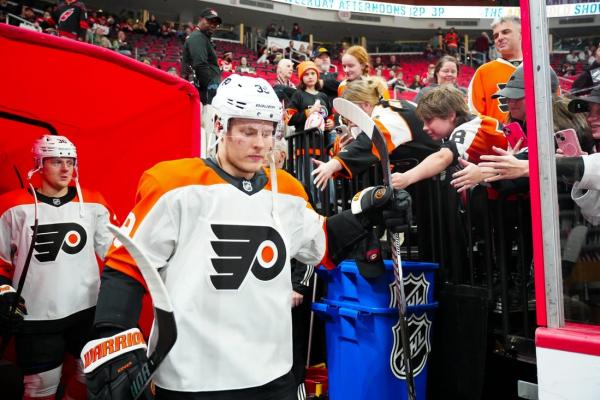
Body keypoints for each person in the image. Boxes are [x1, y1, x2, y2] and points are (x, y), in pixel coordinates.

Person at [80, 74, 403, 400]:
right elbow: (127, 264)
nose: (261, 144)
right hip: (192, 378)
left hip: (273, 374)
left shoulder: (288, 190)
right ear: (220, 125)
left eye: (267, 132)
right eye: (248, 132)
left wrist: (367, 214)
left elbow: (321, 245)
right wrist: (114, 334)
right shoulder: (173, 183)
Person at [0, 135, 116, 400]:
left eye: (70, 162)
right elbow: (1, 261)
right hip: (36, 316)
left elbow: (114, 254)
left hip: (87, 311)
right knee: (40, 386)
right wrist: (4, 291)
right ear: (39, 164)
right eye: (56, 162)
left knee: (89, 376)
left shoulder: (94, 203)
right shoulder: (13, 207)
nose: (66, 169)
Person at [311, 78, 440, 188]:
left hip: (435, 180)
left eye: (350, 111)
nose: (347, 118)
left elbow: (370, 140)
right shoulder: (379, 111)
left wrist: (333, 165)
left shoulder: (388, 115)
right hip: (420, 176)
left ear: (366, 105)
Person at [390, 85, 508, 191]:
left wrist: (406, 177)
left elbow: (443, 157)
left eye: (429, 120)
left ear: (451, 115)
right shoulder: (471, 123)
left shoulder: (470, 128)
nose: (424, 128)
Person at [468, 15, 523, 123]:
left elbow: (555, 109)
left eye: (506, 32)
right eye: (496, 35)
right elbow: (474, 116)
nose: (500, 38)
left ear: (521, 34)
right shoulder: (483, 72)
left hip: (538, 138)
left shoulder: (541, 69)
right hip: (497, 138)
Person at [182, 8, 222, 105]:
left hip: (204, 90)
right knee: (204, 119)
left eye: (216, 23)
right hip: (202, 91)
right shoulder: (198, 37)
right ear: (201, 20)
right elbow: (200, 66)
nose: (213, 25)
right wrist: (212, 86)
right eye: (210, 21)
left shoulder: (203, 37)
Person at [286, 61, 334, 133]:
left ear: (317, 76)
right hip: (304, 140)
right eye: (306, 74)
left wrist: (331, 123)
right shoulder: (298, 95)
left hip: (323, 140)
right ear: (302, 78)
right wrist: (309, 112)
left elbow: (330, 116)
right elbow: (289, 119)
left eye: (313, 73)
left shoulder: (323, 96)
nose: (310, 77)